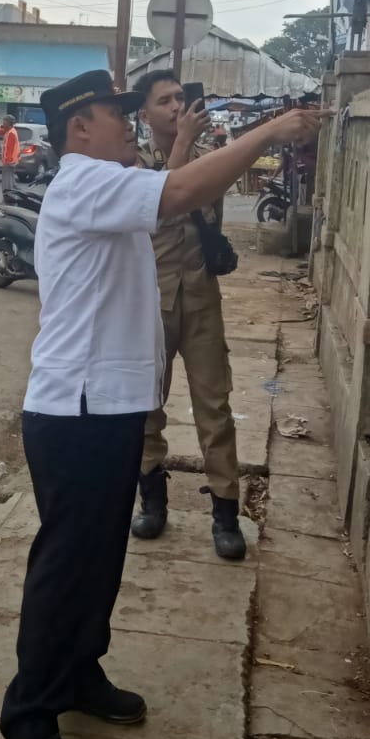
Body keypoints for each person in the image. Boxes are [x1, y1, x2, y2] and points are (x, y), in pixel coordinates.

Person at [0, 69, 321, 739]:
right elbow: (179, 194)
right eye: (118, 115)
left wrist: (195, 143)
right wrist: (270, 133)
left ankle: (80, 671)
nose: (127, 127)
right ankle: (29, 714)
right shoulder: (82, 180)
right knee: (65, 565)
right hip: (75, 410)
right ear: (81, 126)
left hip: (109, 405)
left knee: (101, 557)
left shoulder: (108, 184)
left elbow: (171, 189)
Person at [131, 72, 244, 559]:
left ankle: (225, 513)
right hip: (149, 303)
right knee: (146, 409)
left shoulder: (208, 161)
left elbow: (210, 211)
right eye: (165, 101)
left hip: (199, 298)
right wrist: (182, 145)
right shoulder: (129, 165)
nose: (178, 106)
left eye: (181, 97)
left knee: (214, 407)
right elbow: (160, 202)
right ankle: (153, 503)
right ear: (144, 114)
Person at [0, 115, 20, 199]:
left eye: (5, 121)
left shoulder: (11, 133)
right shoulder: (9, 131)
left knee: (7, 182)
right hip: (10, 161)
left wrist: (7, 161)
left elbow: (9, 148)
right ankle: (15, 195)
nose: (3, 123)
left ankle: (9, 198)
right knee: (10, 181)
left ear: (9, 123)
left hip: (9, 161)